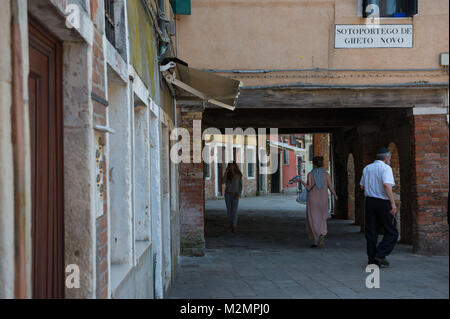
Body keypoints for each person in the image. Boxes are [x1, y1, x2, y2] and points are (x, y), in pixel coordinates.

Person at [360, 147, 398, 268]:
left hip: (370, 201)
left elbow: (362, 186)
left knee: (371, 231)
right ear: (386, 157)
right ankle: (380, 254)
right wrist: (393, 203)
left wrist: (372, 188)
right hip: (383, 202)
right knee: (392, 231)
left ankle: (372, 260)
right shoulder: (386, 168)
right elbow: (386, 185)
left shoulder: (367, 168)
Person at [295, 157, 338, 248]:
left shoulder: (310, 174)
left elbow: (308, 188)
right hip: (323, 199)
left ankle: (315, 241)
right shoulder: (326, 174)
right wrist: (335, 195)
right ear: (322, 164)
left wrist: (301, 181)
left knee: (312, 219)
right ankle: (322, 234)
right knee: (322, 218)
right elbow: (330, 187)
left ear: (314, 164)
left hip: (313, 199)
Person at [223, 162, 243, 233]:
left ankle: (234, 226)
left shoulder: (238, 175)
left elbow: (240, 186)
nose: (231, 167)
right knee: (229, 210)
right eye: (229, 166)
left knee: (234, 211)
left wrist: (239, 194)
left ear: (234, 166)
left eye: (231, 166)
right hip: (227, 194)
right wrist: (225, 172)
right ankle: (230, 225)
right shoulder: (227, 174)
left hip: (235, 194)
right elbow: (223, 182)